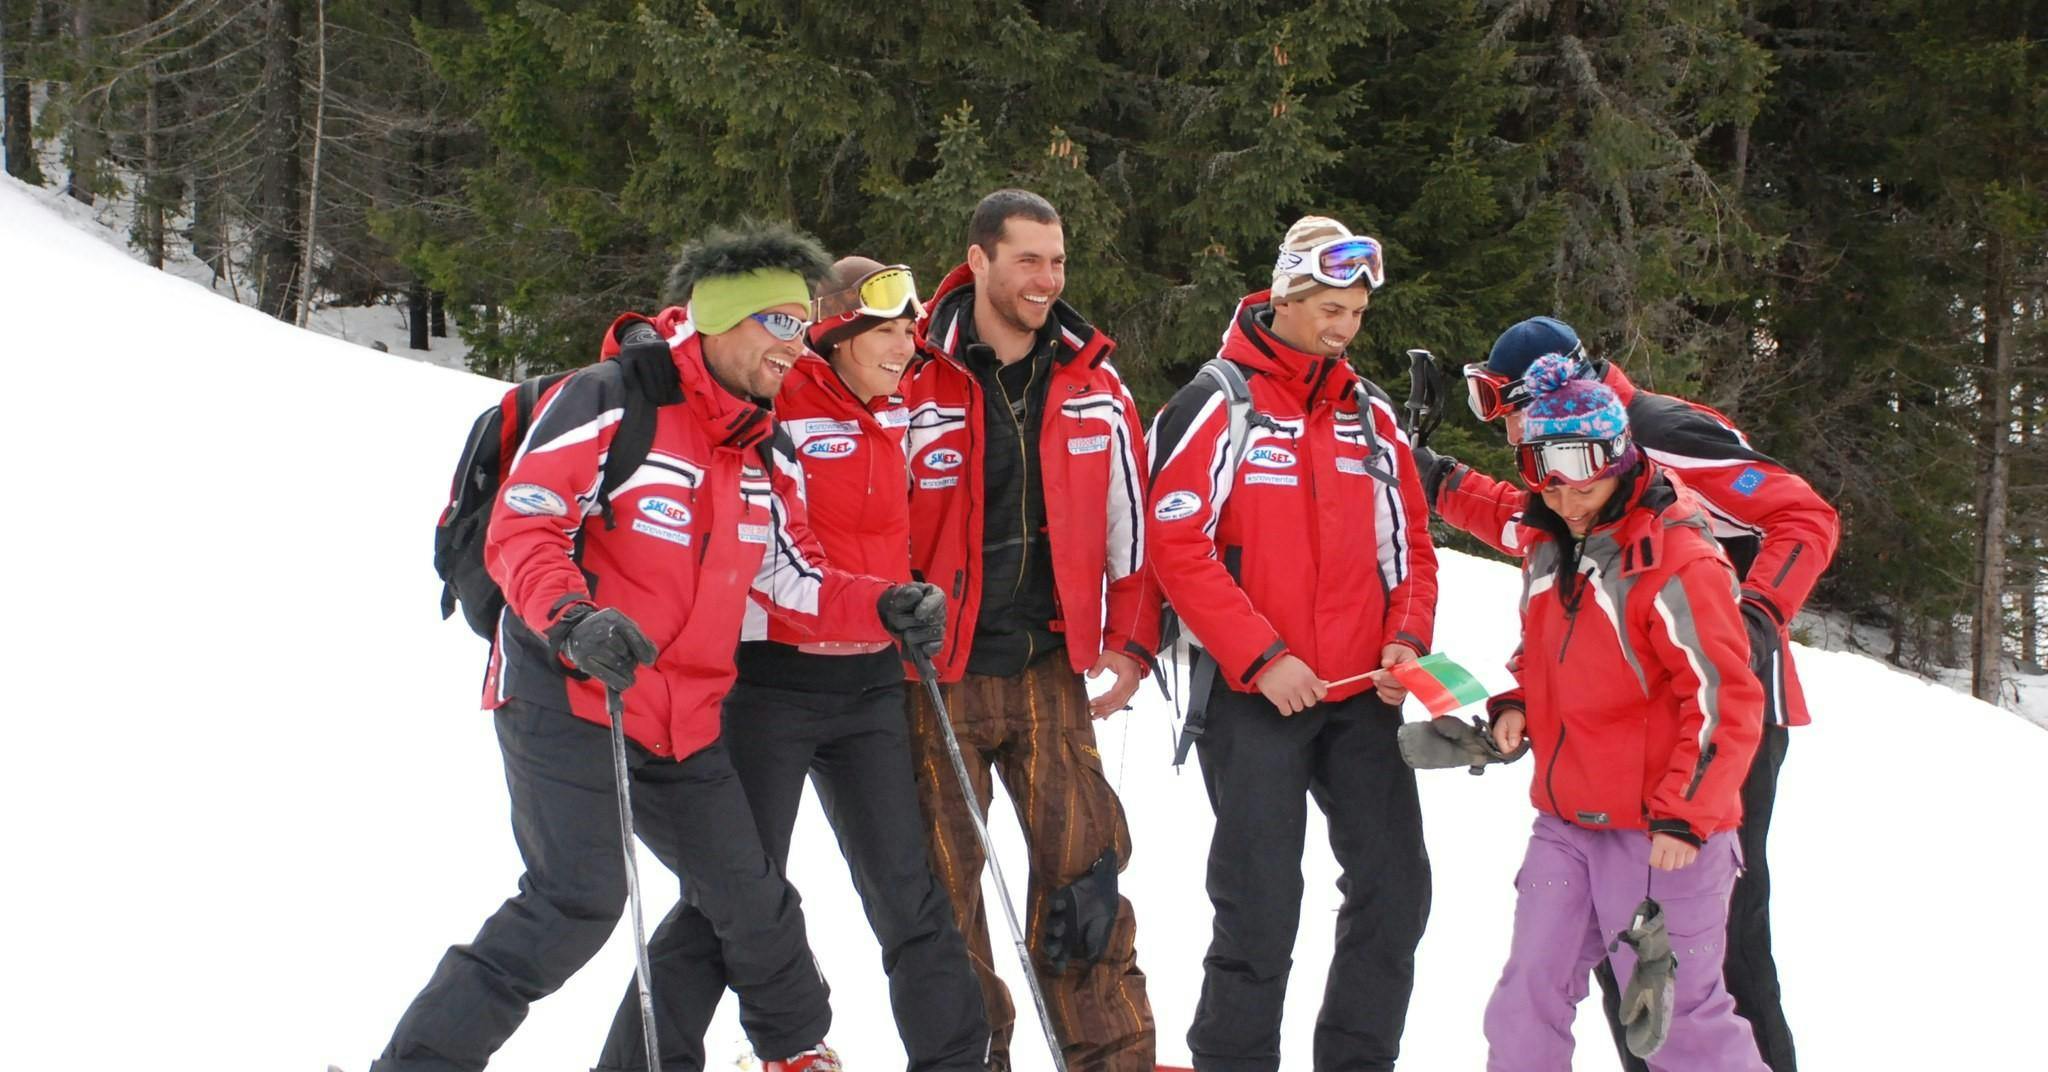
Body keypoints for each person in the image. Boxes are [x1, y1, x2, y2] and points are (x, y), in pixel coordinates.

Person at [369, 222, 947, 1072]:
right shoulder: (613, 400)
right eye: (781, 324)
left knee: (752, 903)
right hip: (569, 689)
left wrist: (887, 606)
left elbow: (793, 578)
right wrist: (572, 619)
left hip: (685, 715)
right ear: (723, 319)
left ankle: (791, 1051)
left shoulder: (763, 447)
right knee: (575, 900)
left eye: (804, 326)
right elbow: (527, 523)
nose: (798, 346)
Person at [590, 258, 990, 1072]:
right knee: (730, 901)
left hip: (872, 683)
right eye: (885, 331)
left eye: (910, 331)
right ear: (833, 333)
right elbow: (694, 347)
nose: (905, 346)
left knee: (910, 894)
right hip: (769, 684)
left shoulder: (904, 406)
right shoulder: (782, 392)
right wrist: (644, 337)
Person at [1418, 315, 1837, 1072]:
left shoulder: (1660, 433)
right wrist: (1441, 484)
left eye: (1501, 399)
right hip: (1611, 735)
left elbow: (1805, 515)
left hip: (1713, 713)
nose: (1504, 421)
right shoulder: (1566, 492)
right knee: (1616, 978)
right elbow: (1531, 531)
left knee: (1707, 967)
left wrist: (1756, 612)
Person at [1144, 215, 1439, 1072]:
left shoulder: (1370, 411)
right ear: (1285, 294)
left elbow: (1410, 548)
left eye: (1355, 313)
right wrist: (1262, 657)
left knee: (1395, 893)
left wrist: (1407, 640)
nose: (1342, 328)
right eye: (1328, 309)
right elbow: (1177, 542)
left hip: (1359, 697)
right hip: (1256, 699)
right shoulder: (1217, 398)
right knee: (1260, 906)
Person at [901, 188, 1159, 1072]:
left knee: (1085, 878)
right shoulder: (911, 370)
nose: (1047, 280)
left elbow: (1136, 527)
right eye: (1027, 261)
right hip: (937, 676)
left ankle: (1113, 1059)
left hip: (1050, 664)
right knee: (945, 894)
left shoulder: (1093, 378)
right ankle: (974, 1057)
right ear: (976, 259)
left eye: (1057, 261)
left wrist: (1130, 643)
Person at [1473, 353, 1767, 1071]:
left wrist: (1685, 813)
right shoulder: (1551, 546)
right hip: (1569, 822)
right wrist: (1518, 704)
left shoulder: (1679, 559)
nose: (1567, 495)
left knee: (1674, 1026)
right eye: (1545, 471)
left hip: (1662, 831)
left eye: (1583, 472)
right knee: (1525, 1001)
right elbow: (1547, 654)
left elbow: (1725, 698)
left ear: (1619, 457)